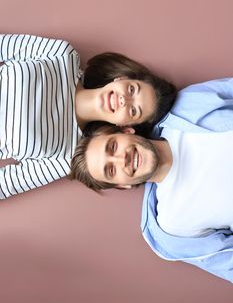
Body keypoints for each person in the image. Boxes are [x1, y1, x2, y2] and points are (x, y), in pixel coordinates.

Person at [0, 34, 176, 198]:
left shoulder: (67, 156)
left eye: (133, 111)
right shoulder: (62, 55)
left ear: (126, 126)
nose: (124, 100)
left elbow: (6, 184)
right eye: (132, 89)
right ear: (121, 78)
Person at [70, 124, 233, 283]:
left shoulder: (185, 119)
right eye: (111, 170)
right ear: (122, 186)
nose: (122, 159)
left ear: (127, 131)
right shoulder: (173, 225)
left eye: (113, 147)